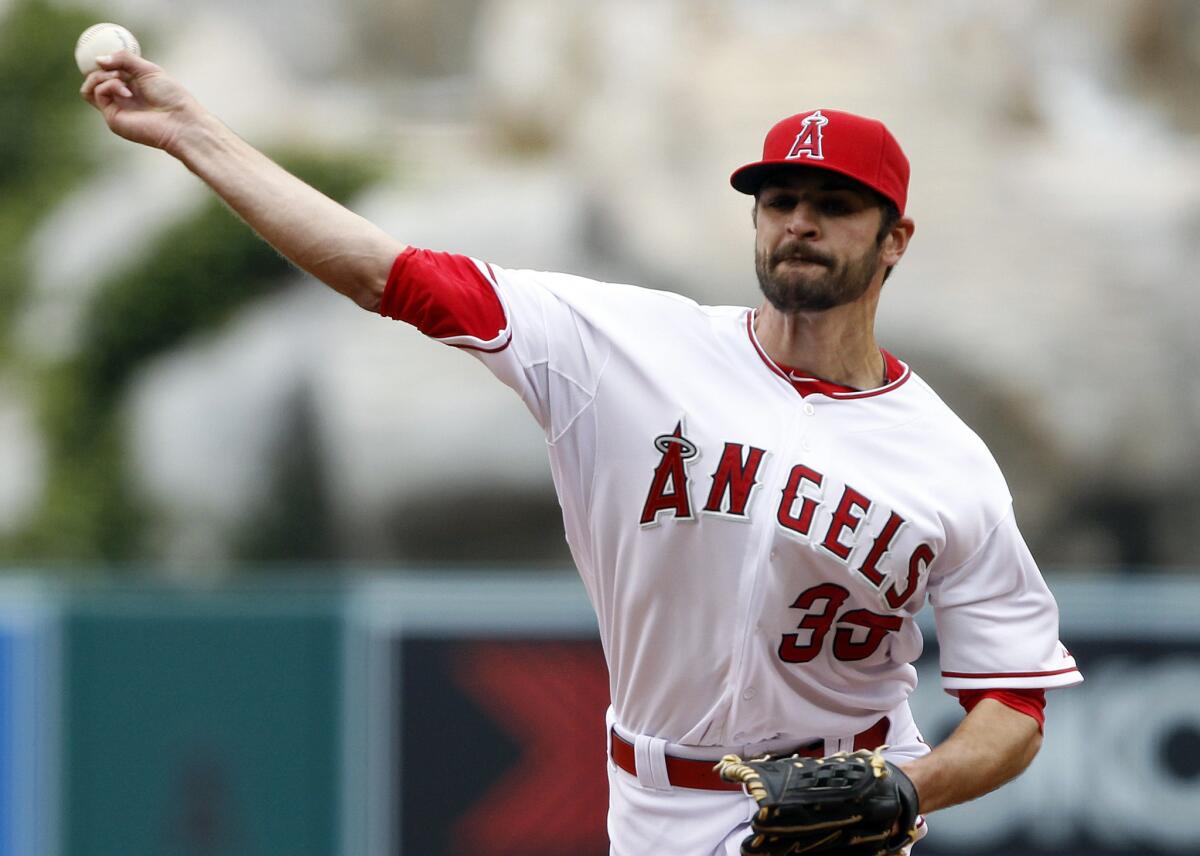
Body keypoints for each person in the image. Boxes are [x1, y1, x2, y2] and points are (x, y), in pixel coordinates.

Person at [82, 53, 1082, 855]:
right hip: (653, 804)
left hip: (847, 808)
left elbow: (1015, 702)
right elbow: (388, 273)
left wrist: (908, 784)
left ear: (894, 237)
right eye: (779, 199)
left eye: (833, 202)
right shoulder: (624, 346)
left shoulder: (948, 460)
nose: (800, 221)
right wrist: (194, 136)